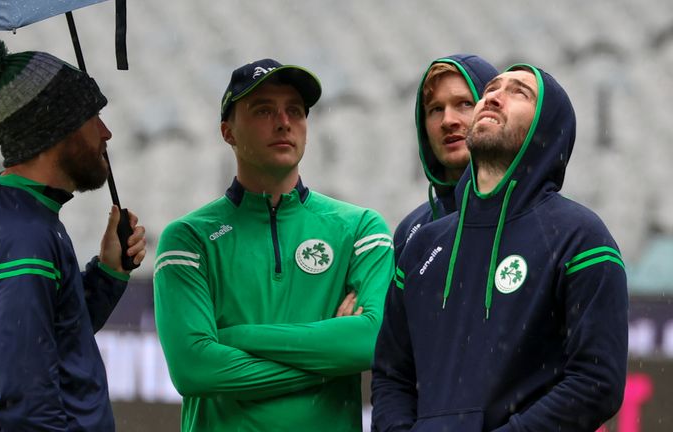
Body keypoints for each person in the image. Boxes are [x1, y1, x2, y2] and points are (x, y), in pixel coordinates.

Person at [371, 65, 628, 431]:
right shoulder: (423, 244)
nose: (492, 96)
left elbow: (596, 381)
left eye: (519, 92)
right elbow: (391, 375)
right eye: (491, 88)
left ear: (546, 127)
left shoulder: (580, 236)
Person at [153, 59, 395, 431]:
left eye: (295, 111)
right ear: (227, 131)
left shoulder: (360, 228)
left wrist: (235, 337)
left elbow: (371, 340)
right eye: (263, 110)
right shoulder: (189, 238)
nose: (283, 122)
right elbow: (194, 369)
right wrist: (328, 361)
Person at [0, 37, 147, 431]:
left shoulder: (6, 209)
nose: (106, 133)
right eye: (92, 118)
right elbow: (27, 404)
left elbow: (55, 338)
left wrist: (107, 273)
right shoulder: (25, 239)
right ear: (57, 131)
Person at [393, 55, 497, 261]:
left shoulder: (545, 219)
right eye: (436, 109)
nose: (448, 121)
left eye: (465, 104)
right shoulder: (410, 232)